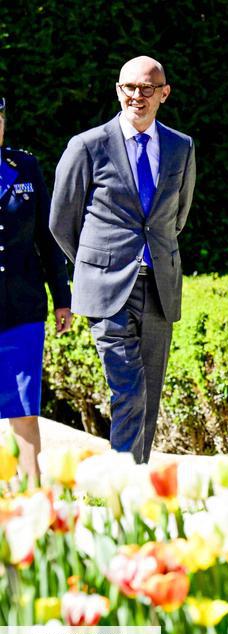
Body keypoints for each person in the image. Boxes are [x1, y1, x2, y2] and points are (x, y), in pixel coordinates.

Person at [50, 56, 196, 464]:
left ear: (163, 94)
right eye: (129, 87)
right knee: (129, 389)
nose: (137, 95)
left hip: (159, 287)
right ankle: (122, 483)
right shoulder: (87, 145)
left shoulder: (181, 147)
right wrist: (97, 266)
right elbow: (62, 221)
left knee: (149, 393)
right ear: (118, 90)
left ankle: (135, 481)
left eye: (147, 88)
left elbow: (176, 218)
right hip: (108, 292)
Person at [0, 98, 73, 481]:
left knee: (24, 408)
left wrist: (63, 298)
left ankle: (32, 495)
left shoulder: (23, 166)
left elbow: (47, 238)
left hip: (22, 308)